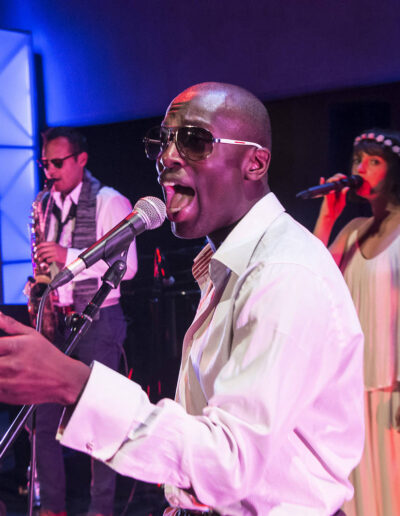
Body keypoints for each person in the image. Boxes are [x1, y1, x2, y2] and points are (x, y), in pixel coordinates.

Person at [0, 83, 363, 515]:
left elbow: (229, 463)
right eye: (162, 141)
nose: (167, 156)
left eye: (194, 140)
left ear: (255, 163)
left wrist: (73, 384)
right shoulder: (232, 265)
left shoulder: (283, 274)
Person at [29, 127, 138, 516]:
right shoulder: (45, 204)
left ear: (81, 160)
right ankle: (52, 508)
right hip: (57, 323)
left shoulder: (110, 201)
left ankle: (101, 510)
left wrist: (67, 255)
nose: (50, 172)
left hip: (99, 320)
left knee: (98, 420)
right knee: (41, 421)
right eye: (45, 164)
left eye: (58, 163)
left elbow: (128, 267)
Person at [313, 129, 400, 516]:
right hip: (350, 392)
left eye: (373, 161)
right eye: (356, 160)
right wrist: (328, 215)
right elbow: (306, 280)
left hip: (392, 388)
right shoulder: (351, 233)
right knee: (360, 497)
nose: (360, 168)